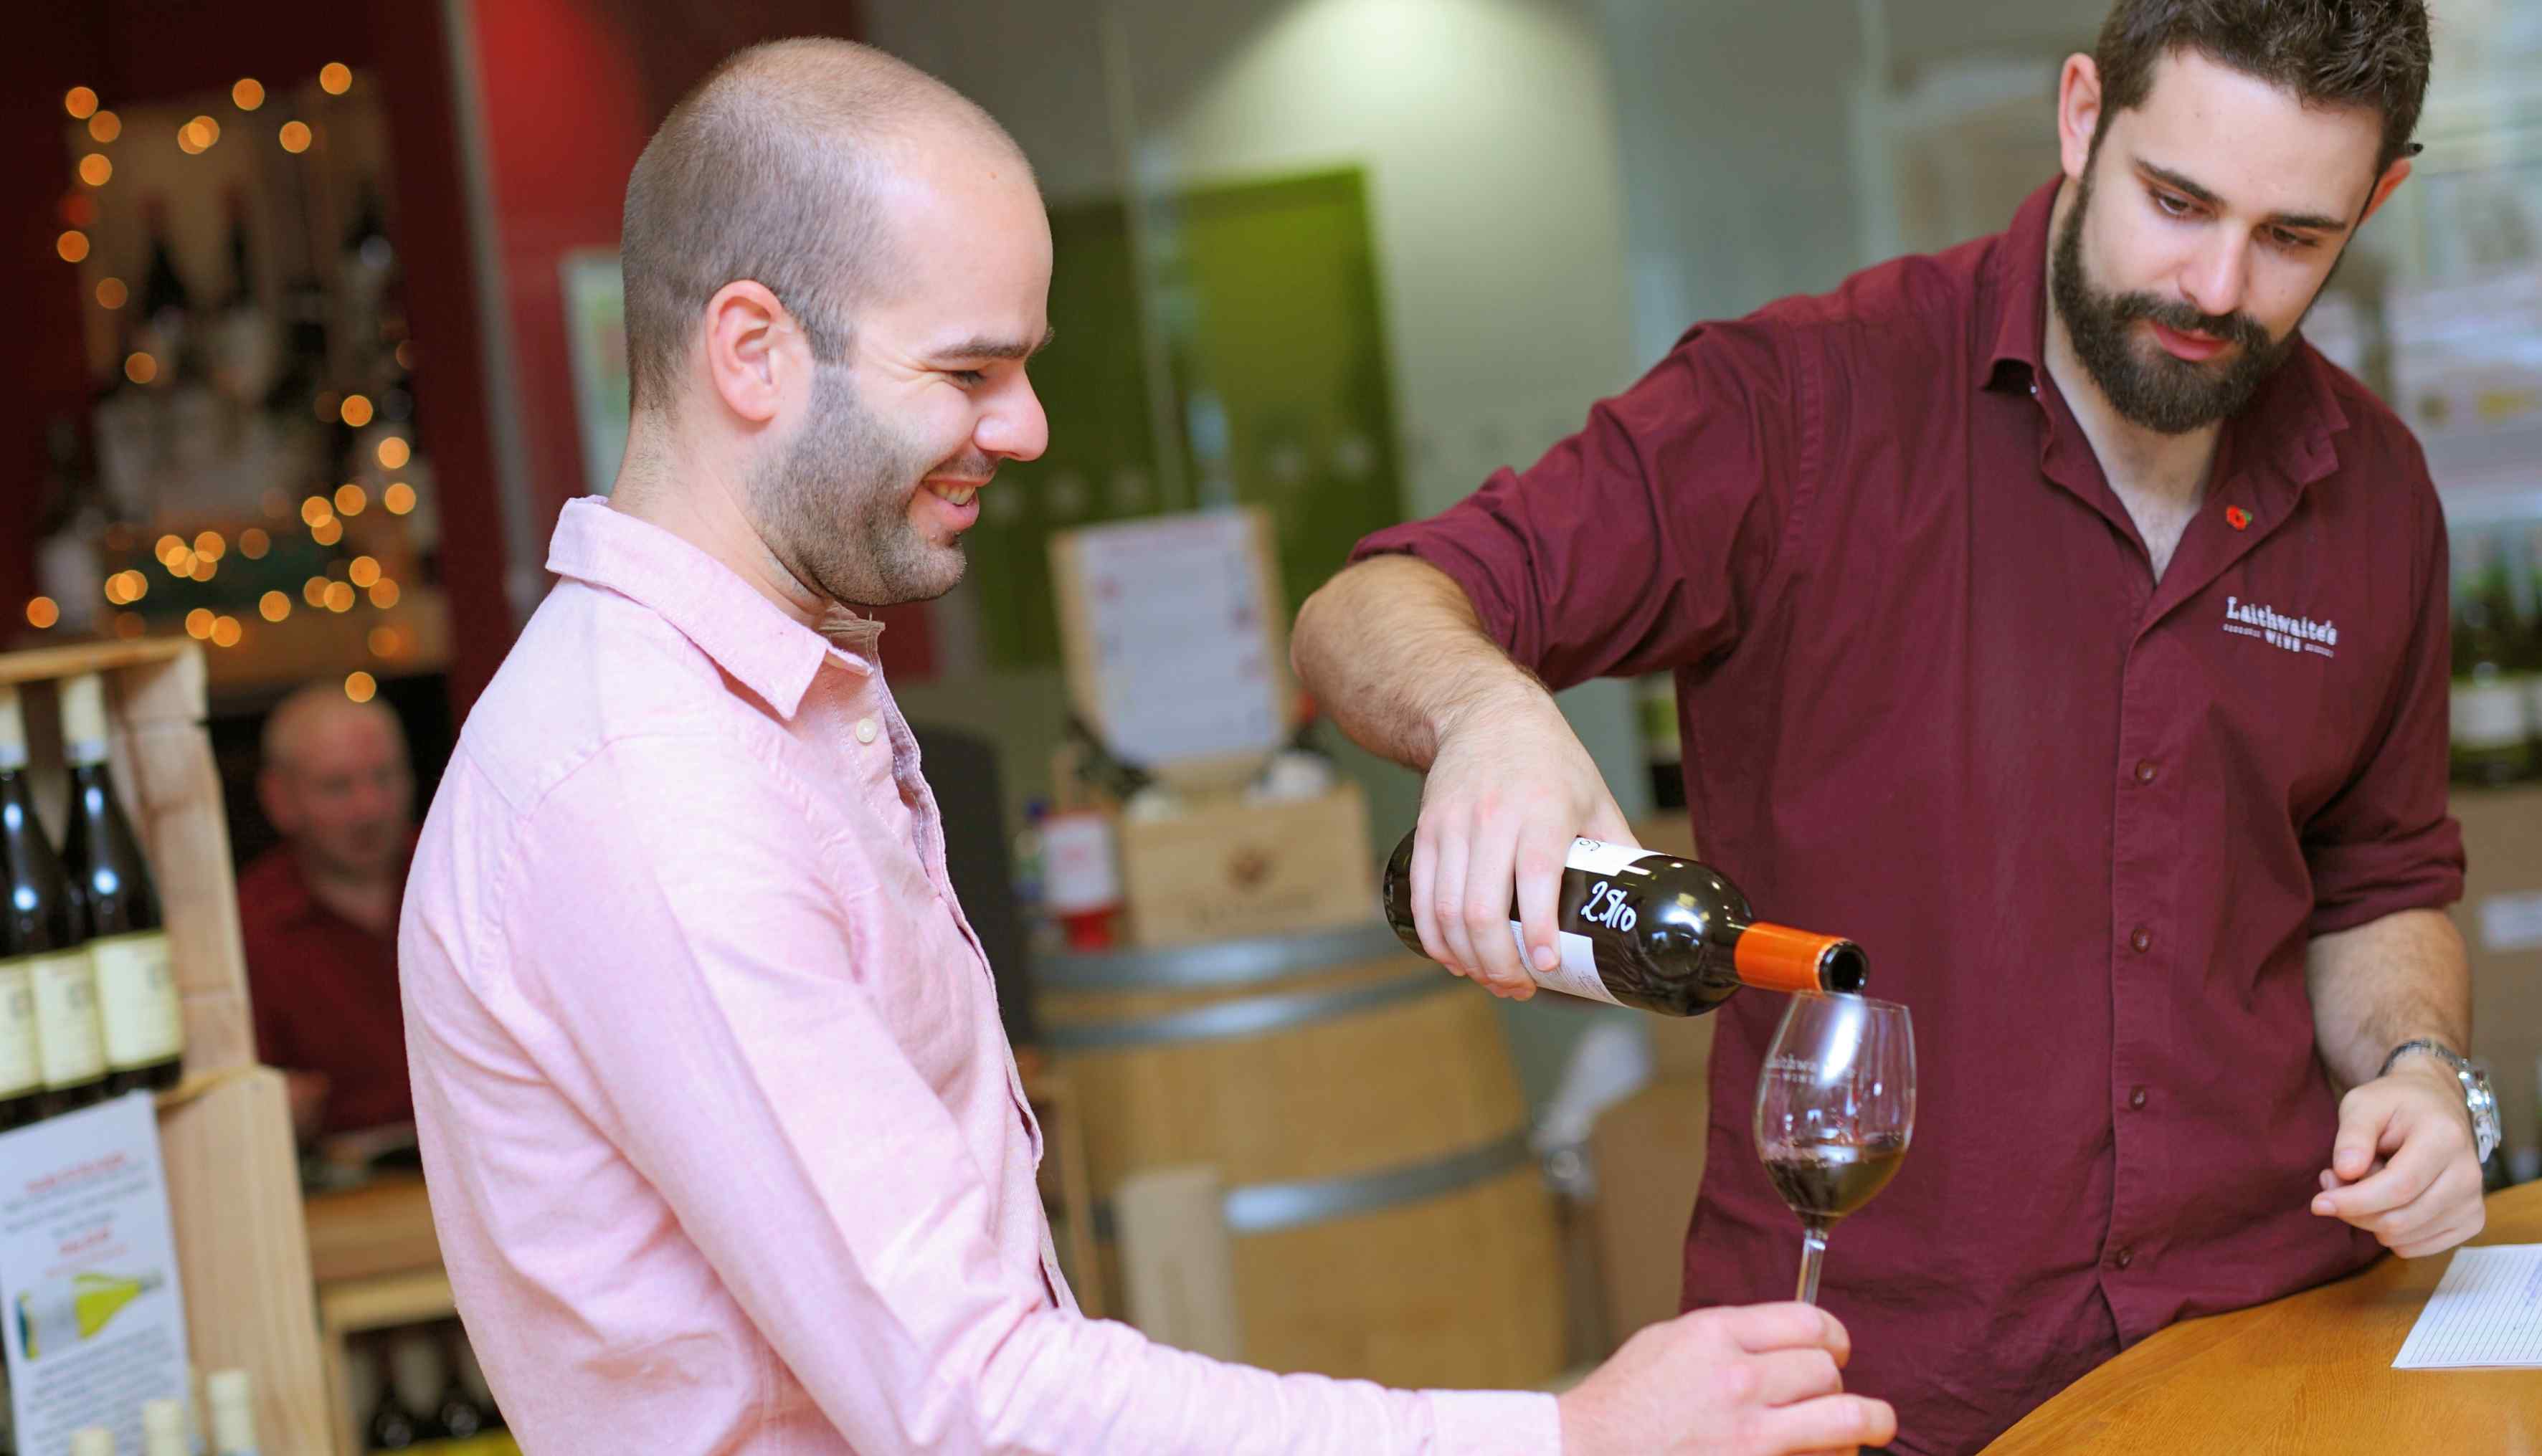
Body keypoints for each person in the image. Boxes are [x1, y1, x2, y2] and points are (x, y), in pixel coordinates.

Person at [398, 38, 1893, 1456]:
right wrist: (1564, 1434)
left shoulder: (770, 701)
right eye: (970, 371)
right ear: (752, 350)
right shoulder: (656, 788)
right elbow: (972, 1401)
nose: (1032, 424)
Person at [1292, 4, 2494, 1453]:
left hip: (2269, 1354)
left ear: (2376, 200)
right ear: (2077, 117)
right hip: (1876, 1385)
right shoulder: (1796, 405)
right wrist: (1486, 707)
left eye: (2292, 237)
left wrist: (2420, 1072)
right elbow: (1367, 609)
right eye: (2172, 201)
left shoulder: (2370, 483)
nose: (2212, 281)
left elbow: (2376, 875)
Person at [240, 682, 417, 1141]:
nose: (370, 807)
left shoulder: (465, 873)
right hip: (344, 1193)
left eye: (385, 777)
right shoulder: (248, 926)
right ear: (280, 800)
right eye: (337, 787)